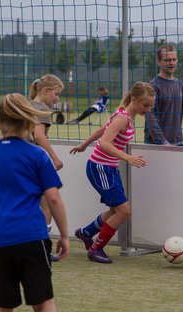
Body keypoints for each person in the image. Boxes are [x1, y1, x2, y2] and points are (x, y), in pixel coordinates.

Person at [0, 93, 69, 312]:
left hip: (0, 239)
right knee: (43, 304)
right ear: (29, 122)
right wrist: (63, 235)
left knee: (2, 308)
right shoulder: (37, 155)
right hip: (31, 237)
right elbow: (52, 198)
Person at [70, 82, 155, 264]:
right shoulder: (123, 118)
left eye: (151, 106)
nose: (148, 109)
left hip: (109, 168)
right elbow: (105, 143)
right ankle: (96, 249)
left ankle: (86, 233)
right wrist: (127, 157)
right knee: (124, 211)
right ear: (134, 99)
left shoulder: (126, 115)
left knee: (116, 211)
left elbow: (103, 131)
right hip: (100, 167)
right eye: (145, 105)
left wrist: (84, 144)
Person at [30, 74, 64, 234]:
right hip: (33, 162)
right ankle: (43, 244)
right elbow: (39, 135)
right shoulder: (43, 109)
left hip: (18, 161)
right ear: (45, 91)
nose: (57, 99)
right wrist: (55, 157)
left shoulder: (27, 104)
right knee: (47, 204)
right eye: (56, 94)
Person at [144, 44, 183, 146]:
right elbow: (151, 118)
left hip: (178, 143)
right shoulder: (153, 86)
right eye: (168, 60)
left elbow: (180, 116)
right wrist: (163, 142)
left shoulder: (180, 85)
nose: (172, 63)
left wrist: (179, 141)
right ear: (159, 62)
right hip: (156, 145)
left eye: (174, 59)